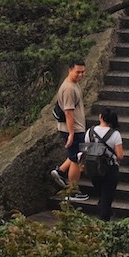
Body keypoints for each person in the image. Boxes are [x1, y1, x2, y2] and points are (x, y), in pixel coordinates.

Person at [50, 62, 87, 197]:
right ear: (70, 70)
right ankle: (73, 191)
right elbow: (68, 112)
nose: (81, 75)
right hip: (73, 129)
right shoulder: (69, 88)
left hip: (77, 128)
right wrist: (71, 133)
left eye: (83, 72)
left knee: (76, 155)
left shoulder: (73, 84)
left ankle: (60, 171)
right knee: (77, 158)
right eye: (78, 72)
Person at [84, 107, 124, 220]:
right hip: (109, 169)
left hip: (93, 169)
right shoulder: (115, 134)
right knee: (107, 198)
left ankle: (102, 214)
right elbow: (120, 156)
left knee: (102, 196)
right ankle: (103, 222)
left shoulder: (90, 132)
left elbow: (87, 151)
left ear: (100, 117)